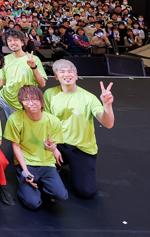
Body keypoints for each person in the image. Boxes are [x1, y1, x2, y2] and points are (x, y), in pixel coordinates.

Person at [44, 60, 115, 198]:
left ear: (76, 76)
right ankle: (58, 163)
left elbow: (108, 123)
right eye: (62, 72)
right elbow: (47, 123)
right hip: (57, 145)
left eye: (70, 71)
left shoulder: (88, 98)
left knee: (86, 191)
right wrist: (53, 148)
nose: (67, 74)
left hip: (80, 148)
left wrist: (107, 106)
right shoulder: (49, 94)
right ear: (56, 76)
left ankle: (70, 164)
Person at [4, 85, 68, 210]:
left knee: (61, 195)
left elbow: (54, 145)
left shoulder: (53, 121)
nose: (31, 103)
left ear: (41, 101)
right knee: (32, 203)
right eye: (26, 100)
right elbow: (15, 145)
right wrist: (25, 170)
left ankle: (44, 187)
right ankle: (23, 185)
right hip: (27, 163)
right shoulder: (14, 119)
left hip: (46, 162)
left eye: (35, 99)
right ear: (21, 102)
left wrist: (52, 148)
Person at [0, 29, 47, 119]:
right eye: (9, 40)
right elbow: (1, 81)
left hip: (23, 102)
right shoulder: (5, 59)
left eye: (16, 40)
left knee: (18, 129)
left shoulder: (34, 59)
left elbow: (42, 84)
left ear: (22, 43)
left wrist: (33, 67)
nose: (12, 42)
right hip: (4, 97)